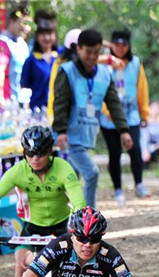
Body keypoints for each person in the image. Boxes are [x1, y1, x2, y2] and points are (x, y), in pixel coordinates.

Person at [0, 126, 85, 277]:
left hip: (62, 225)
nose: (34, 158)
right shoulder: (18, 171)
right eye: (29, 154)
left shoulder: (63, 167)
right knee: (21, 263)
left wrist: (79, 223)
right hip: (33, 227)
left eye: (40, 153)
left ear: (50, 151)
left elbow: (79, 201)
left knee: (74, 266)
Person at [53, 29, 133, 209]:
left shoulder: (104, 74)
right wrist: (61, 131)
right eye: (88, 52)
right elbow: (60, 103)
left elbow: (114, 104)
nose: (92, 56)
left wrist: (124, 130)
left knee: (71, 181)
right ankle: (88, 218)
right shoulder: (67, 71)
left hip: (86, 134)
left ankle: (74, 222)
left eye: (96, 52)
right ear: (79, 49)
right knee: (91, 173)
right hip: (69, 138)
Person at [100, 28, 150, 205]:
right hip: (109, 119)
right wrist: (107, 112)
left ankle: (139, 184)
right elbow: (99, 89)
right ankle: (118, 189)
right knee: (115, 153)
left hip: (131, 116)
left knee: (135, 149)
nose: (120, 48)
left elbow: (142, 89)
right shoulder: (104, 65)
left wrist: (145, 113)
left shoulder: (135, 63)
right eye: (117, 44)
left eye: (124, 45)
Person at [0, 6, 30, 108]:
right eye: (23, 23)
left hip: (22, 100)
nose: (26, 28)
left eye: (29, 25)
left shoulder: (23, 44)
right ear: (12, 21)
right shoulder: (2, 41)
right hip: (6, 101)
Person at [20, 17, 58, 110]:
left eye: (49, 34)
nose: (47, 38)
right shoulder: (31, 60)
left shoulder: (60, 58)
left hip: (57, 109)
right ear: (37, 37)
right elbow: (24, 86)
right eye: (43, 34)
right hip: (37, 109)